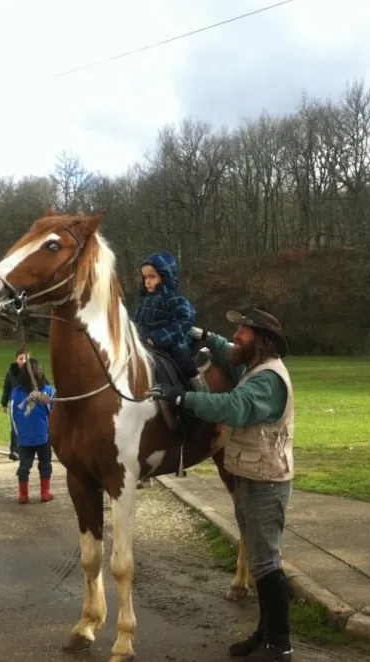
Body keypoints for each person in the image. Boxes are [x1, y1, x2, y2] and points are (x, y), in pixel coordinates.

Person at [147, 307, 294, 662]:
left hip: (266, 483)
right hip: (251, 477)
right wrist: (201, 333)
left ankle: (280, 645)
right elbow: (226, 348)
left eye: (243, 332)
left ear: (262, 341)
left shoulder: (268, 379)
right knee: (261, 562)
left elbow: (233, 407)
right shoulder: (252, 365)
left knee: (268, 563)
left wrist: (182, 397)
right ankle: (263, 634)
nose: (237, 337)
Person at [132, 251, 207, 392]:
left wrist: (157, 338)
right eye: (145, 277)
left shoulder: (174, 300)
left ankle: (201, 395)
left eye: (152, 277)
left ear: (165, 277)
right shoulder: (144, 302)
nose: (147, 281)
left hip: (172, 346)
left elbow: (185, 320)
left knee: (187, 367)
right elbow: (137, 322)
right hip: (146, 344)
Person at [9, 357, 55, 504]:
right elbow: (53, 413)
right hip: (43, 437)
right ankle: (45, 492)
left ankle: (23, 495)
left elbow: (13, 415)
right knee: (45, 464)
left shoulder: (16, 393)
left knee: (24, 466)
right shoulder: (48, 392)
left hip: (24, 438)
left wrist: (18, 434)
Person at [0, 348, 29, 461]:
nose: (23, 361)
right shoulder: (11, 372)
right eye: (21, 358)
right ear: (16, 360)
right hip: (15, 403)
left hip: (28, 402)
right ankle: (14, 450)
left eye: (25, 358)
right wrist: (4, 403)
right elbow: (6, 387)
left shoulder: (32, 371)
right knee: (15, 427)